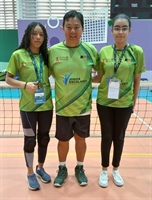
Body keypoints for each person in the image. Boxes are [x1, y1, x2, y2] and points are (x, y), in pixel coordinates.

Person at [93, 13, 146, 188]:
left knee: (119, 137)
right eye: (117, 28)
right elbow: (99, 77)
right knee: (106, 136)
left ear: (129, 31)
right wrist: (79, 77)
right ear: (112, 31)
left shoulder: (137, 52)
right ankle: (103, 169)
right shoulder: (104, 52)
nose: (120, 32)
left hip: (124, 103)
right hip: (104, 102)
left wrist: (134, 102)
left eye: (124, 28)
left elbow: (137, 79)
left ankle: (115, 169)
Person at [48, 10, 98, 187]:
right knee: (62, 140)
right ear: (63, 28)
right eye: (69, 27)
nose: (72, 30)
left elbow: (102, 72)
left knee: (80, 139)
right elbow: (45, 74)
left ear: (82, 29)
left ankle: (79, 168)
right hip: (63, 107)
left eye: (76, 27)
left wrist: (87, 83)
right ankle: (62, 168)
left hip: (83, 107)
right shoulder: (53, 51)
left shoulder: (90, 50)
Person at [5, 22, 53, 191]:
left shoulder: (47, 56)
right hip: (28, 108)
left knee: (44, 138)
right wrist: (25, 85)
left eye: (41, 34)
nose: (38, 37)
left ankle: (40, 168)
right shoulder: (18, 55)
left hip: (46, 105)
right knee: (30, 141)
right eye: (34, 34)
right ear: (28, 35)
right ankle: (30, 173)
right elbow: (8, 79)